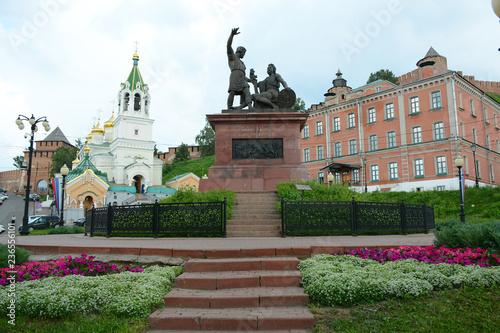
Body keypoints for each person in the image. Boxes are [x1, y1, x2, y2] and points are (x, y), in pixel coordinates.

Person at [227, 28, 252, 109]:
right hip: (234, 76)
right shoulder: (233, 57)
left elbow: (244, 76)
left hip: (242, 79)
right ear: (240, 51)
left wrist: (250, 80)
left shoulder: (242, 64)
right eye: (243, 53)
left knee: (246, 89)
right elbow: (228, 46)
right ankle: (229, 107)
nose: (244, 55)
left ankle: (249, 105)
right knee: (232, 92)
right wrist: (232, 35)